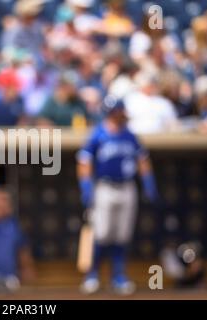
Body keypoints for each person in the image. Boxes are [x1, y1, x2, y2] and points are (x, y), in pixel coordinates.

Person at [76, 96, 158, 295]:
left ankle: (118, 276)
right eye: (118, 111)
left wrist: (148, 182)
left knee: (122, 235)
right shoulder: (98, 134)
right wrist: (86, 187)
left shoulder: (130, 135)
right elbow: (84, 162)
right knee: (102, 233)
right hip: (104, 187)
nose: (122, 115)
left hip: (128, 187)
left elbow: (143, 160)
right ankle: (93, 275)